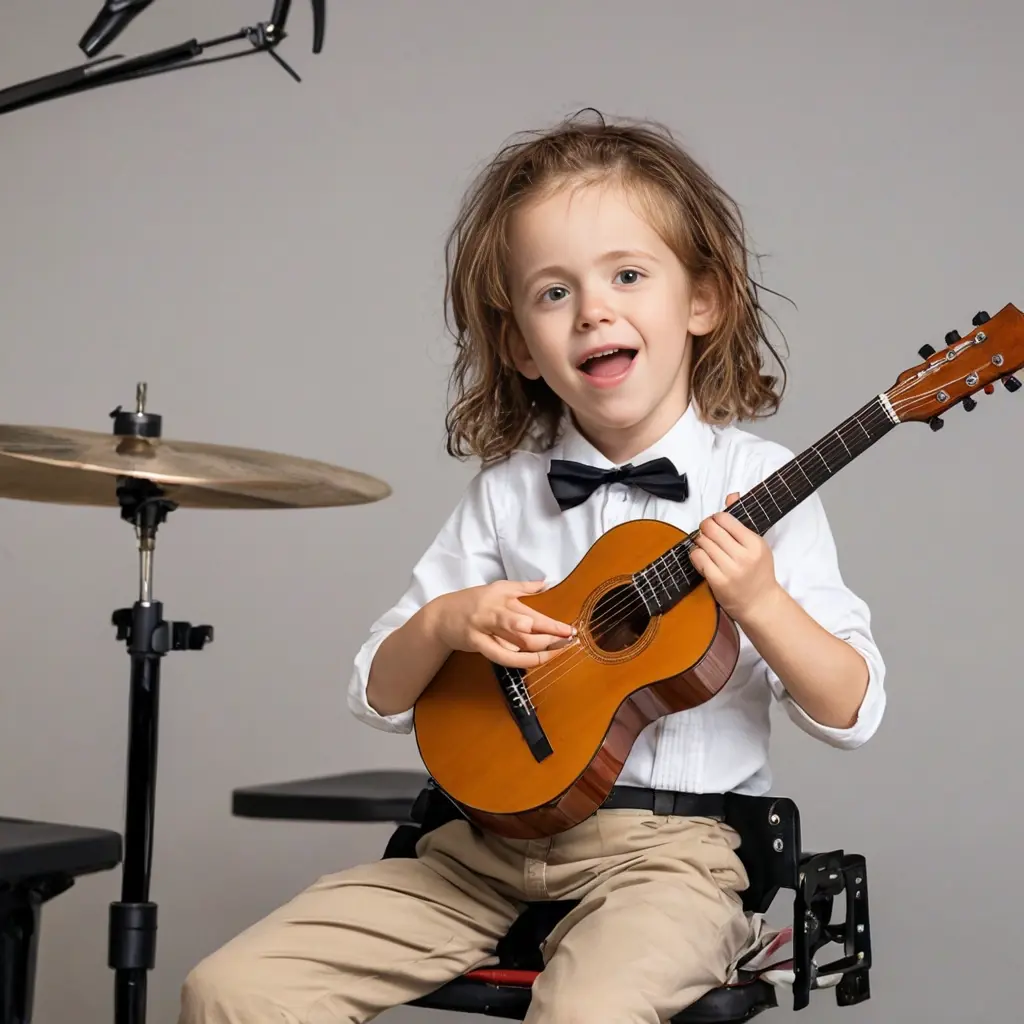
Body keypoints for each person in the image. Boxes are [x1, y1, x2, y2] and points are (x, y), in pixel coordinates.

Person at [179, 110, 886, 1024]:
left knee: (586, 1012)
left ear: (703, 301)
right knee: (233, 990)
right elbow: (377, 693)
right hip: (475, 851)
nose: (593, 311)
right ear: (518, 344)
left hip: (670, 859)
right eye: (554, 292)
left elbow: (852, 711)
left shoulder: (758, 485)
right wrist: (447, 622)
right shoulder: (506, 494)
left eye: (628, 275)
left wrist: (761, 602)